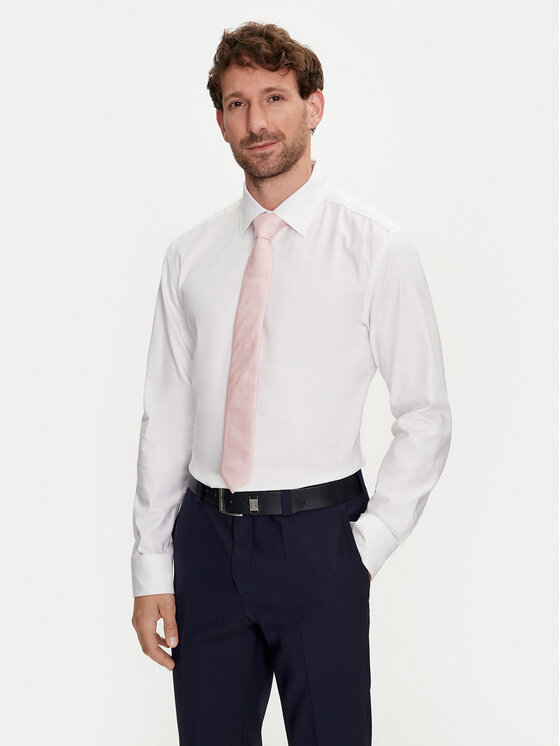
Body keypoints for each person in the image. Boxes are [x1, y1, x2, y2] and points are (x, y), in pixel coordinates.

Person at [131, 20, 452, 746]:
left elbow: (425, 414)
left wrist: (364, 548)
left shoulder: (376, 249)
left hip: (320, 539)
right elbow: (167, 414)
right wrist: (152, 566)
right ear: (220, 121)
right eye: (237, 103)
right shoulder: (190, 256)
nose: (257, 121)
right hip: (206, 542)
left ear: (315, 106)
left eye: (274, 97)